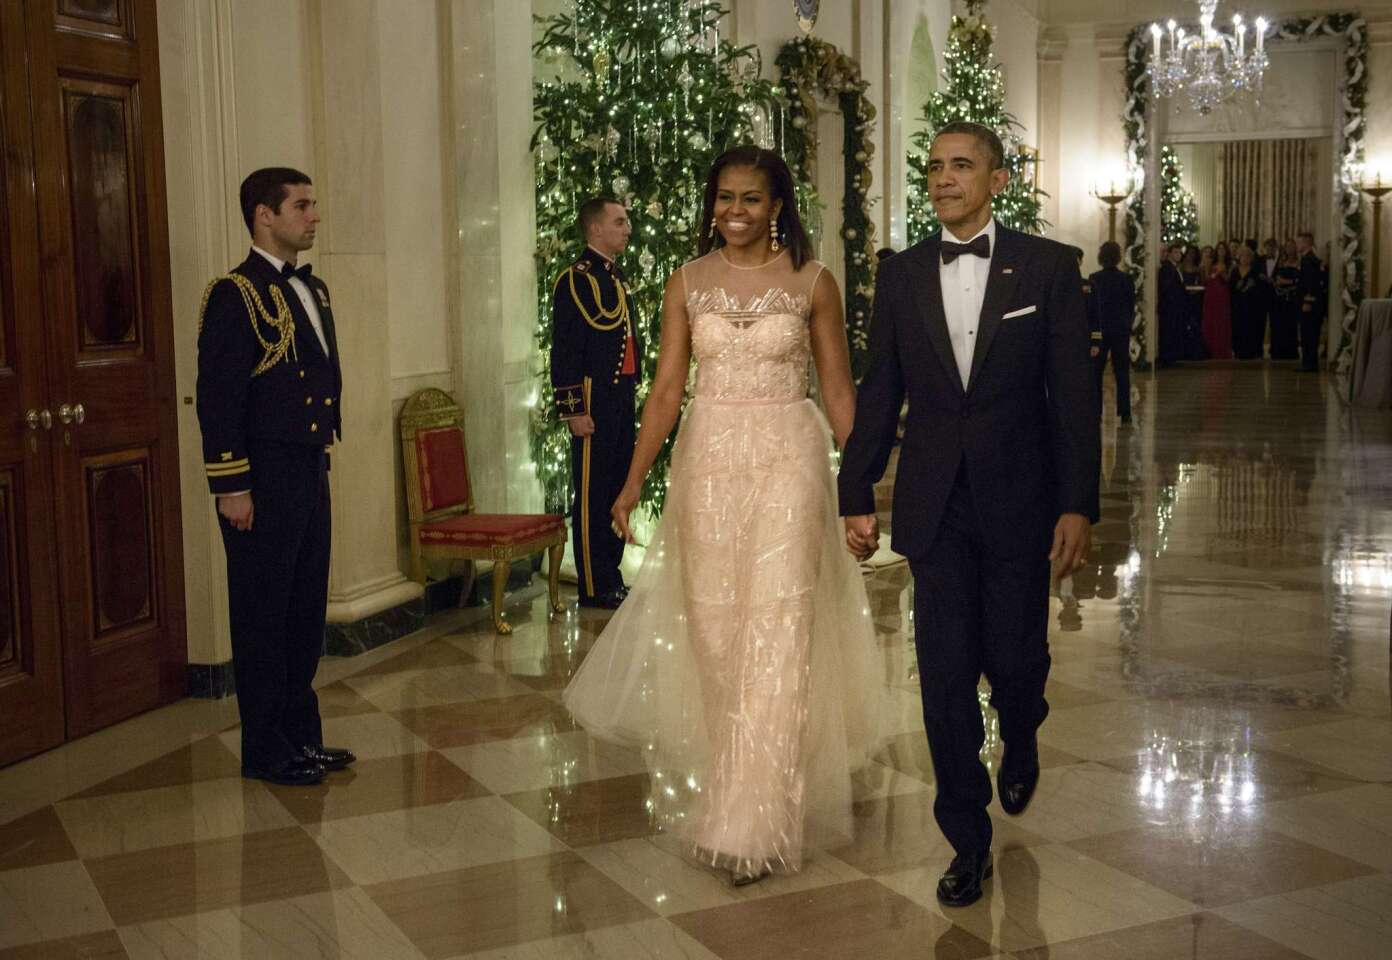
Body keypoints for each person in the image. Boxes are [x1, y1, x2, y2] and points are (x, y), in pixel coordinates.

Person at [563, 146, 888, 887]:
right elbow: (667, 390)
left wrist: (859, 490)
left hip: (788, 459)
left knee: (778, 627)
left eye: (750, 199)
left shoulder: (815, 282)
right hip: (707, 464)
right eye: (724, 198)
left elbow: (840, 393)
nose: (734, 212)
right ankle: (740, 785)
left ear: (777, 206)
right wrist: (628, 482)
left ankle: (754, 821)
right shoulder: (687, 281)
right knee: (715, 634)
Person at [838, 122, 1099, 908]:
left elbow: (1074, 404)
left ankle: (1022, 729)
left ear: (998, 180)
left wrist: (1078, 505)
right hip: (935, 505)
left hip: (1021, 501)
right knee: (944, 675)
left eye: (961, 166)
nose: (944, 178)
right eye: (935, 167)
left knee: (1015, 661)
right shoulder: (904, 274)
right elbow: (880, 389)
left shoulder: (1049, 269)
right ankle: (966, 836)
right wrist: (856, 491)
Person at [196, 167, 353, 787]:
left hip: (309, 466)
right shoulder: (234, 293)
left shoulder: (312, 289)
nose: (314, 216)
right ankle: (265, 748)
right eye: (302, 206)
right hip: (260, 479)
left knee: (304, 607)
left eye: (314, 204)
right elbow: (219, 398)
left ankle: (301, 737)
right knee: (263, 613)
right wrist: (231, 486)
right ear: (265, 215)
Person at [550, 198, 641, 609]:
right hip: (592, 398)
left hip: (620, 396)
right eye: (619, 222)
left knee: (618, 485)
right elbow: (565, 350)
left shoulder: (614, 277)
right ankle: (593, 584)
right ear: (595, 229)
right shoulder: (576, 279)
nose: (628, 229)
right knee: (591, 493)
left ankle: (612, 575)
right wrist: (573, 410)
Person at [1089, 241, 1135, 422]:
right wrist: (1126, 324)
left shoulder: (1094, 278)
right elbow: (1131, 306)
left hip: (1100, 331)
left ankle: (1096, 411)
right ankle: (1125, 412)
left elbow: (1092, 308)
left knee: (1096, 373)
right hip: (1120, 330)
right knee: (1122, 372)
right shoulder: (1125, 279)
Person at [1230, 244, 1271, 360]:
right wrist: (1238, 287)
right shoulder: (1234, 272)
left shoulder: (1256, 272)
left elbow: (1260, 290)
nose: (1245, 258)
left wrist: (1251, 288)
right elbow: (1230, 289)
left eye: (1248, 256)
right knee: (1238, 327)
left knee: (1251, 328)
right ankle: (1238, 351)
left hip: (1252, 306)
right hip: (1238, 305)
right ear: (1239, 257)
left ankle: (1252, 351)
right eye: (1243, 256)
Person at [1296, 231, 1326, 371]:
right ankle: (1309, 363)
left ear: (1306, 242)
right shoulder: (1311, 258)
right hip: (1314, 304)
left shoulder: (1308, 260)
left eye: (1299, 242)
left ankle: (1309, 364)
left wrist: (1307, 302)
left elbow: (1310, 283)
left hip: (1310, 305)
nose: (1298, 245)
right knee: (1309, 334)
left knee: (1309, 335)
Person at [1156, 243, 1187, 367]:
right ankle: (1167, 359)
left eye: (1179, 253)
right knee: (1168, 333)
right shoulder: (1166, 267)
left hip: (1174, 307)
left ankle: (1172, 358)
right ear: (1169, 254)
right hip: (1169, 307)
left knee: (1173, 332)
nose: (1178, 255)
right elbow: (1167, 287)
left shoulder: (1174, 267)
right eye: (1175, 252)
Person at [1270, 241, 1302, 360]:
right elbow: (1274, 278)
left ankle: (1290, 352)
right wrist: (1277, 284)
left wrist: (1286, 282)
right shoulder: (1281, 262)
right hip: (1280, 299)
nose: (1289, 249)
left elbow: (1300, 280)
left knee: (1290, 325)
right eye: (1287, 246)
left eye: (1292, 246)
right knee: (1279, 325)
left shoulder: (1300, 263)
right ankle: (1278, 352)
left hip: (1292, 298)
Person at [1201, 242, 1233, 359]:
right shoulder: (1211, 262)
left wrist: (1222, 272)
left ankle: (1222, 349)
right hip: (1211, 294)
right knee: (1210, 320)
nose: (1221, 251)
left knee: (1222, 321)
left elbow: (1228, 280)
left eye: (1223, 249)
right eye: (1219, 248)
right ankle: (1210, 349)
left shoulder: (1229, 264)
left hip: (1223, 295)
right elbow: (1206, 279)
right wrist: (1206, 267)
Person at [1181, 246, 1209, 361]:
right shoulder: (1181, 268)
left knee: (1196, 324)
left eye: (1193, 253)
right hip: (1185, 299)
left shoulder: (1199, 269)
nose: (1191, 256)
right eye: (1189, 253)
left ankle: (1196, 352)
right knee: (1185, 323)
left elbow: (1204, 283)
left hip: (1196, 299)